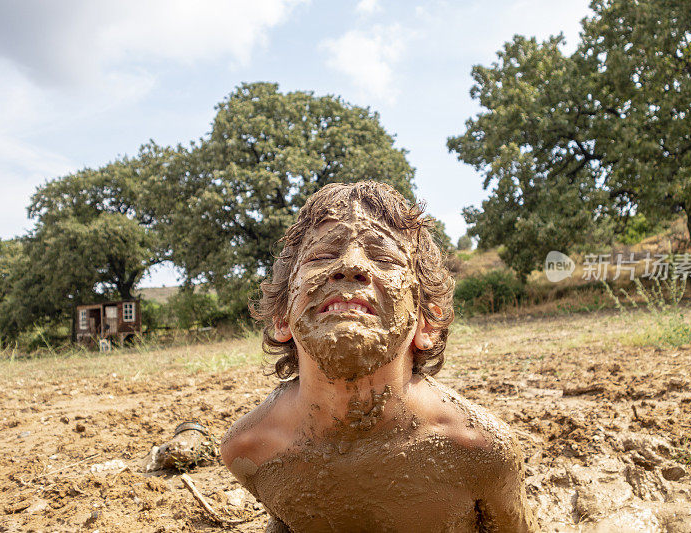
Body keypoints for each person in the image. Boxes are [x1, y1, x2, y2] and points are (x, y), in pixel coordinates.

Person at [221, 181, 537, 532]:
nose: (351, 265)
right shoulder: (251, 449)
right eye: (322, 256)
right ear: (282, 318)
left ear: (427, 323)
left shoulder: (477, 448)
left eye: (384, 257)